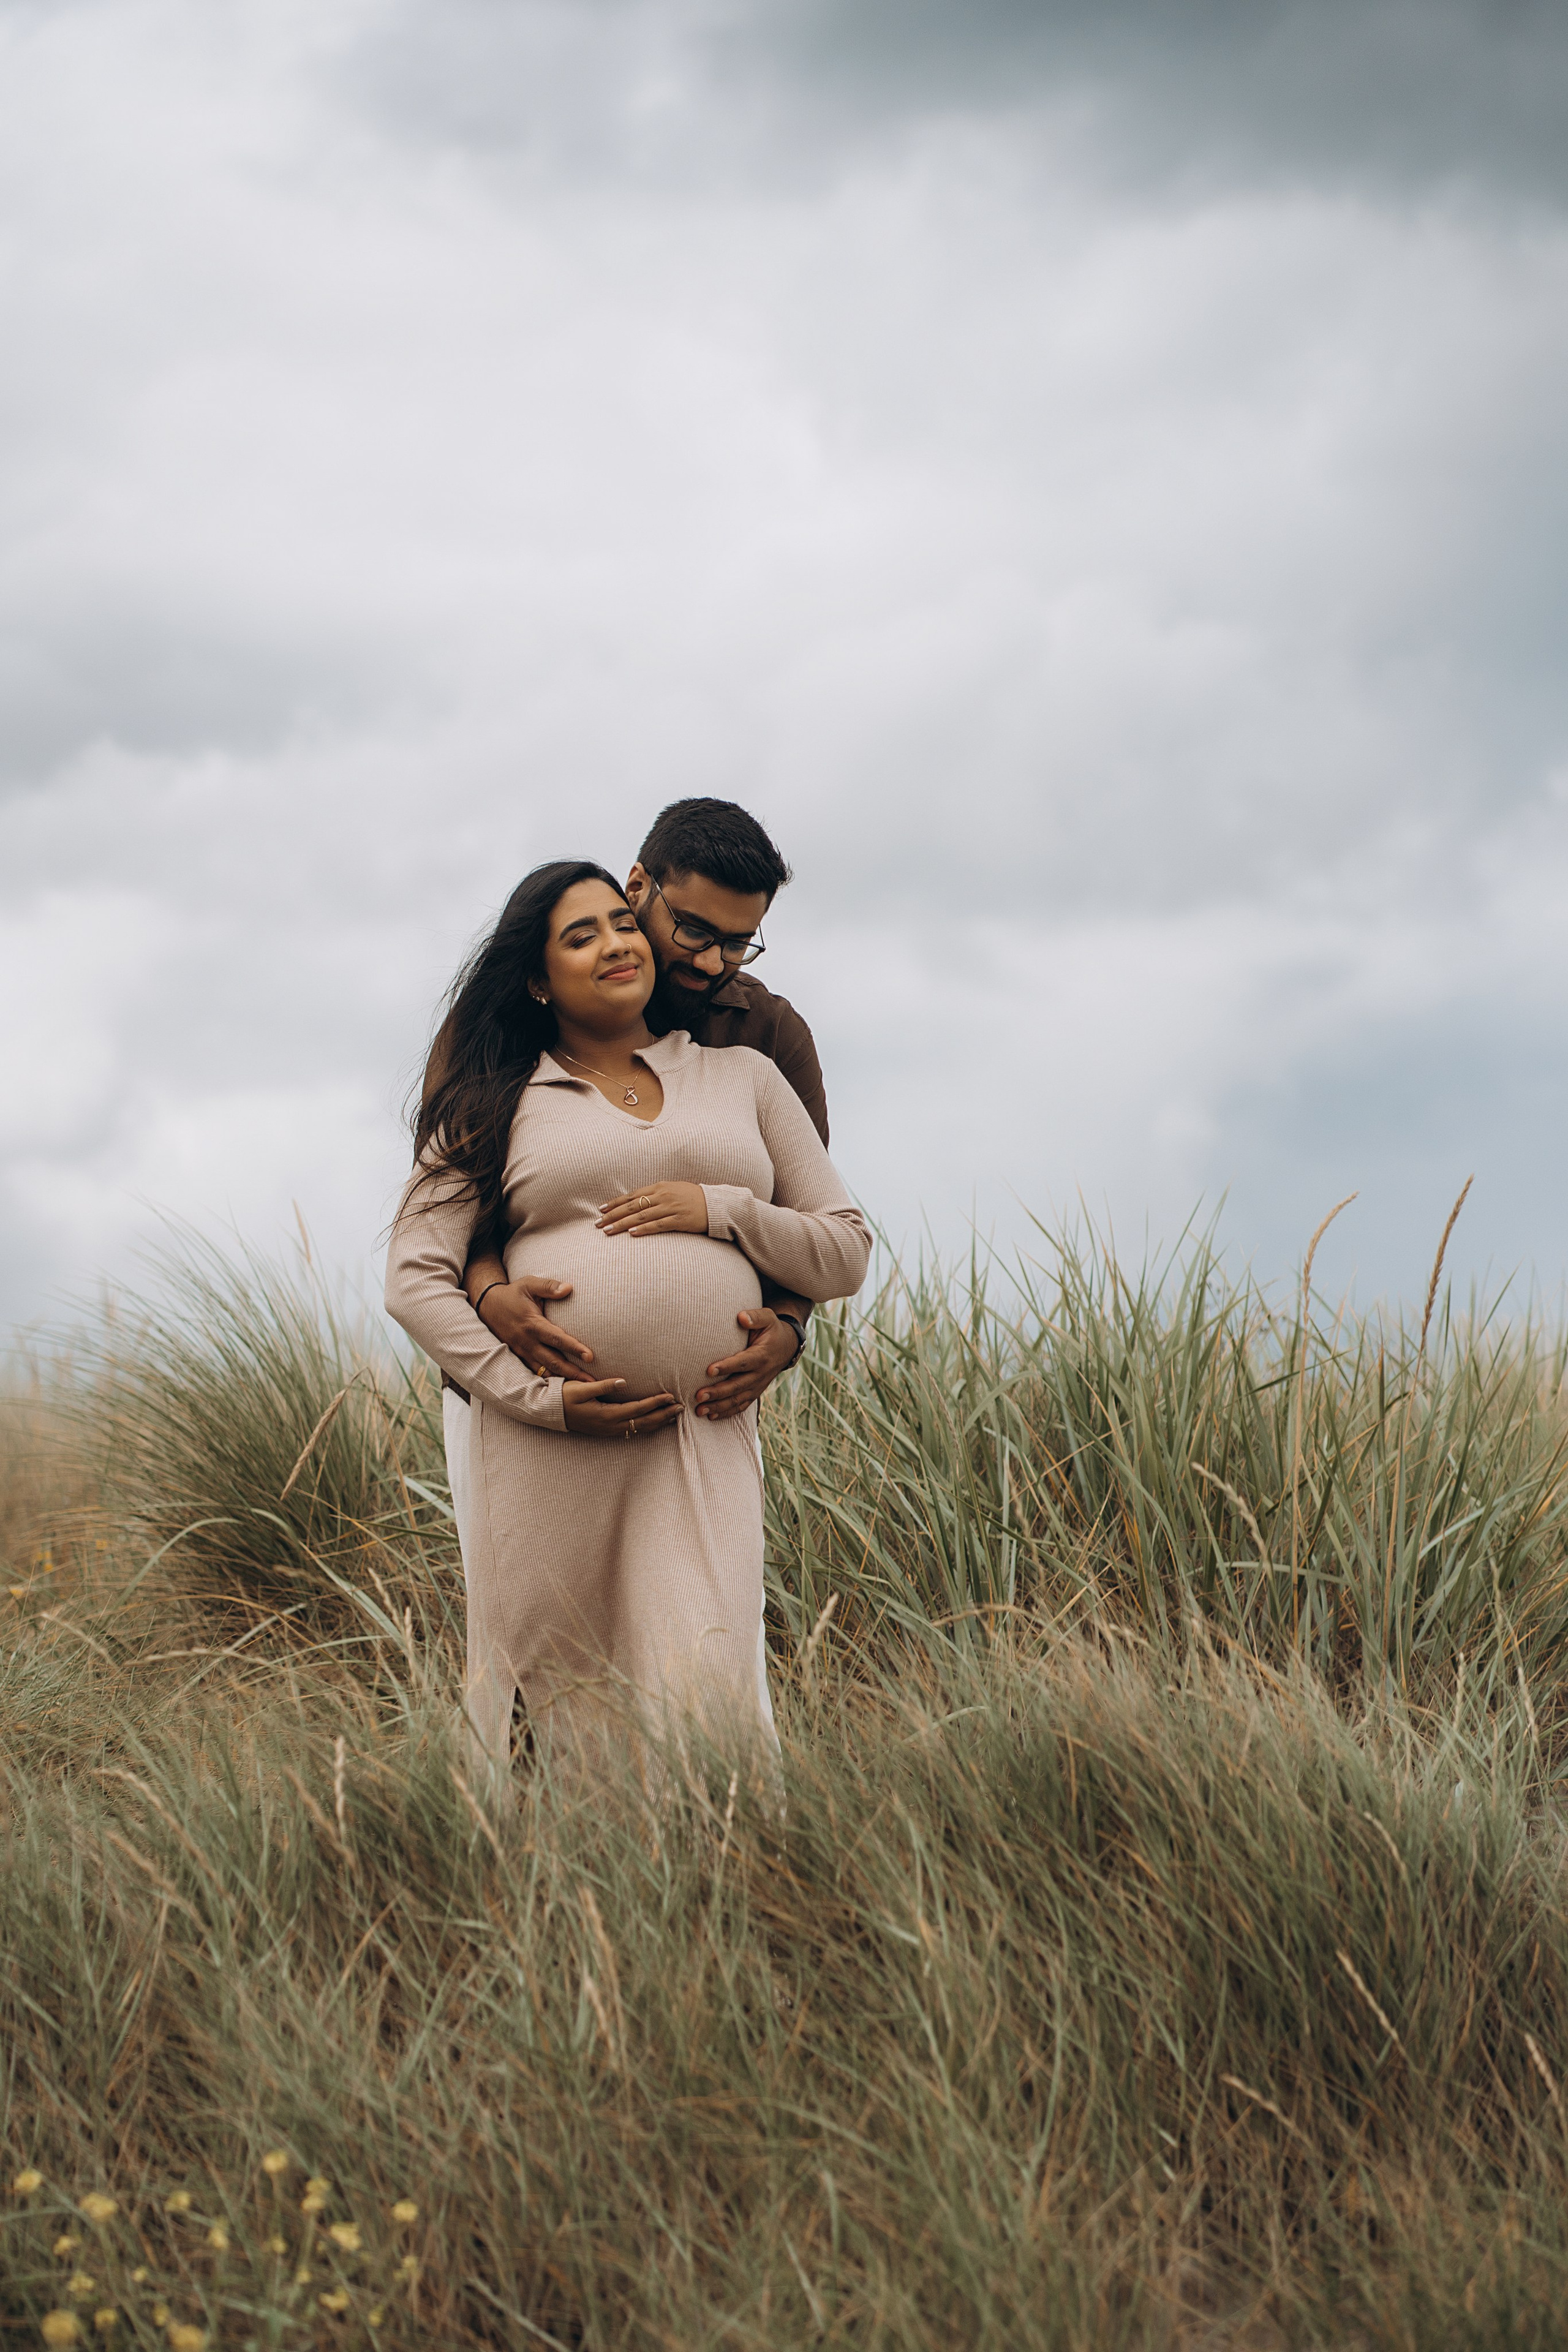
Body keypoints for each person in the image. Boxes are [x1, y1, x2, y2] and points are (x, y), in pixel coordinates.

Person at [384, 860, 870, 1764]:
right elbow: (415, 1276)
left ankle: (722, 1889)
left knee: (707, 1688)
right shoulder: (495, 1093)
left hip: (699, 1430)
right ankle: (548, 1895)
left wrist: (722, 1209)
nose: (616, 943)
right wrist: (536, 1397)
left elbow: (843, 1247)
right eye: (582, 936)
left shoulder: (750, 1070)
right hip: (548, 1440)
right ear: (537, 978)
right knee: (552, 1696)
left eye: (616, 925)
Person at [450, 799, 826, 1422]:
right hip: (517, 1393)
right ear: (638, 887)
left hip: (704, 1409)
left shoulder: (769, 1035)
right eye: (696, 931)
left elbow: (806, 1222)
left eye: (736, 944)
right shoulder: (506, 1024)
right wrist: (490, 1294)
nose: (710, 963)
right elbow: (450, 1212)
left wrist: (787, 1328)